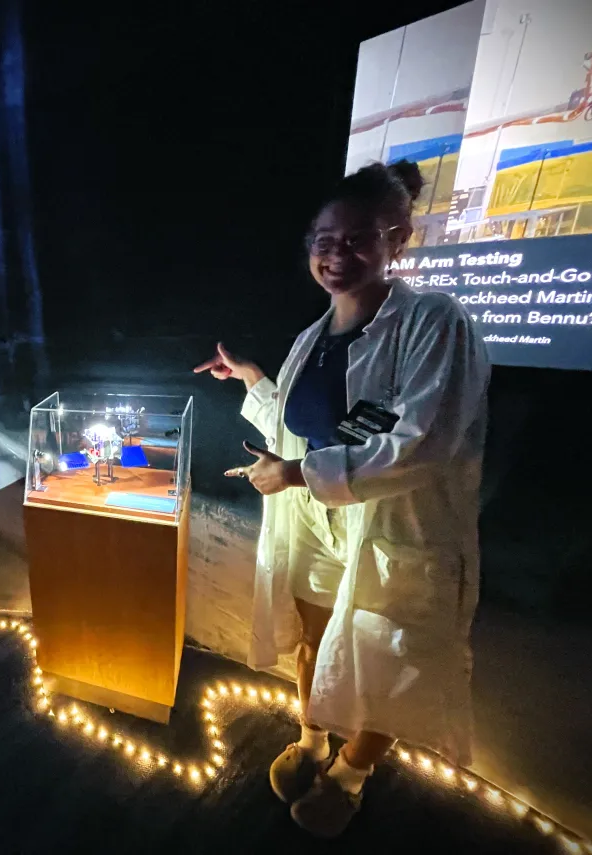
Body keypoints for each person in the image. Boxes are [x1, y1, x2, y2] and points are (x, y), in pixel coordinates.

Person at [194, 161, 490, 837]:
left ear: (398, 240)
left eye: (358, 239)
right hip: (318, 523)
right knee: (316, 634)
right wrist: (255, 380)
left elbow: (424, 442)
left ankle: (352, 774)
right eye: (325, 240)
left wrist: (297, 476)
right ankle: (314, 740)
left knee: (386, 653)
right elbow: (300, 431)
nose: (337, 255)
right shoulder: (313, 336)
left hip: (392, 526)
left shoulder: (434, 324)